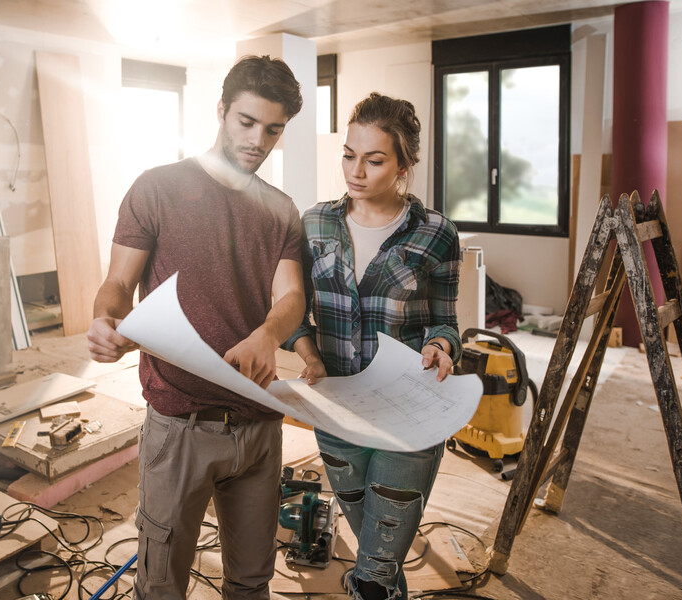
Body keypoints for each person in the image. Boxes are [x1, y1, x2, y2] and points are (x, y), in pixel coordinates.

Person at [86, 55, 306, 600]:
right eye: (247, 122)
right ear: (222, 111)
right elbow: (117, 282)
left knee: (251, 583)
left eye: (273, 129)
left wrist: (268, 334)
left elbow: (292, 296)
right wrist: (105, 320)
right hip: (179, 424)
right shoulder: (157, 188)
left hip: (259, 427)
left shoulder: (280, 210)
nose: (259, 140)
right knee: (161, 586)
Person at [286, 92, 462, 600]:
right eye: (348, 154)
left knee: (375, 567)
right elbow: (295, 312)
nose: (355, 171)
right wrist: (308, 352)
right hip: (339, 409)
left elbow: (445, 321)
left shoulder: (437, 234)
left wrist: (443, 347)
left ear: (404, 164)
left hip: (409, 410)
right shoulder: (314, 223)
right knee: (373, 545)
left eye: (374, 159)